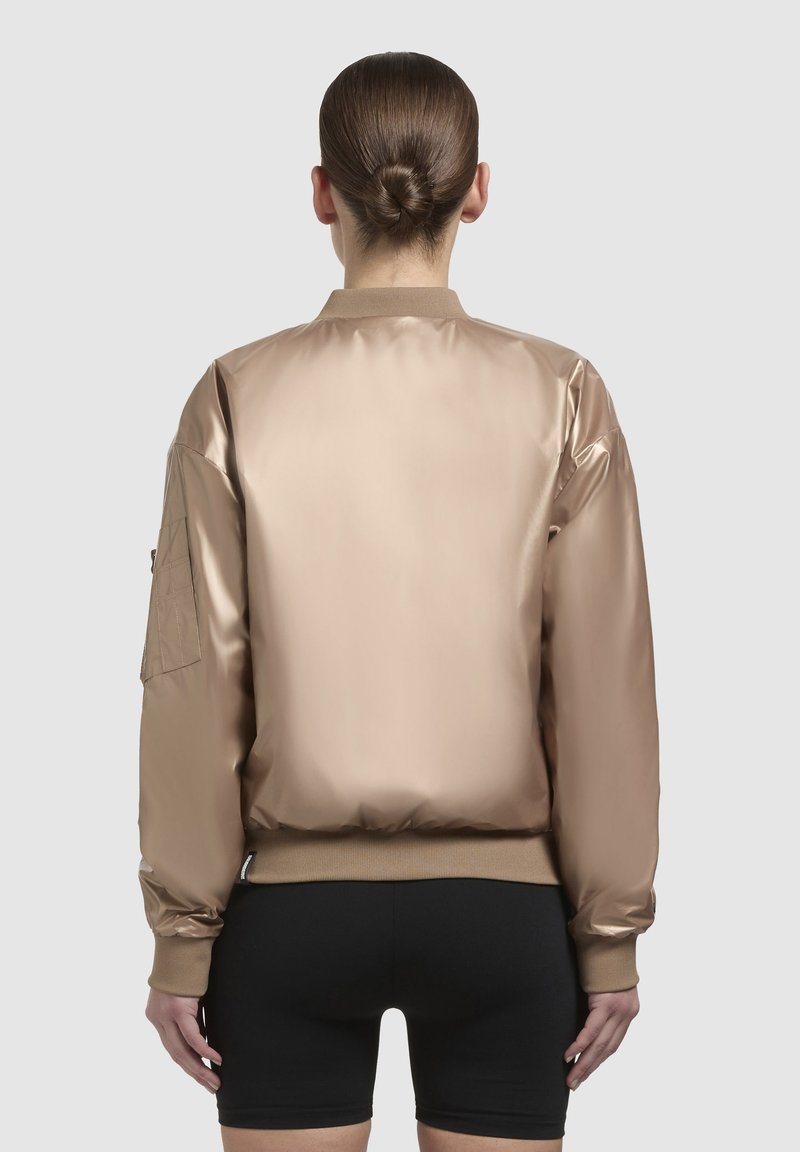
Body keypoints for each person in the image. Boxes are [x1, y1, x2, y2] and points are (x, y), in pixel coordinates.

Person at [138, 50, 660, 1152]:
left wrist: (183, 938)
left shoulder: (235, 392)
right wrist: (608, 936)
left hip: (290, 919)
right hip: (503, 918)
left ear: (321, 192)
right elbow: (602, 683)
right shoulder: (562, 392)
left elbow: (194, 682)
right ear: (477, 189)